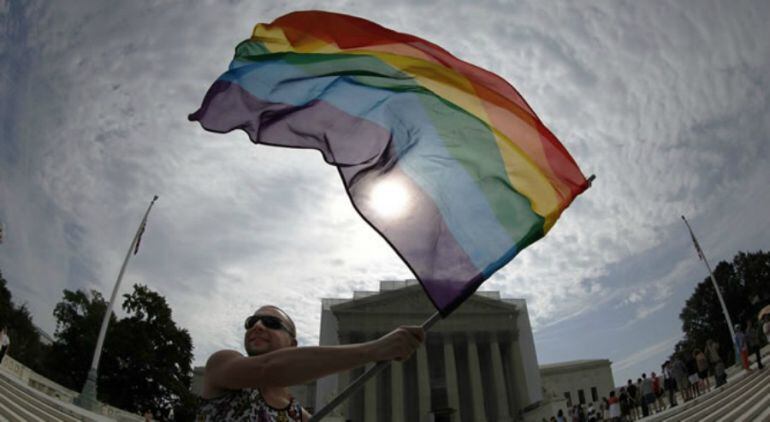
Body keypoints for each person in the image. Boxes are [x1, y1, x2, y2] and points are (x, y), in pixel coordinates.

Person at [197, 305, 424, 421]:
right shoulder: (222, 364)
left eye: (270, 323)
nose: (258, 326)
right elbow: (269, 369)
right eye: (251, 321)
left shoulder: (299, 414)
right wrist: (375, 350)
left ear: (293, 343)